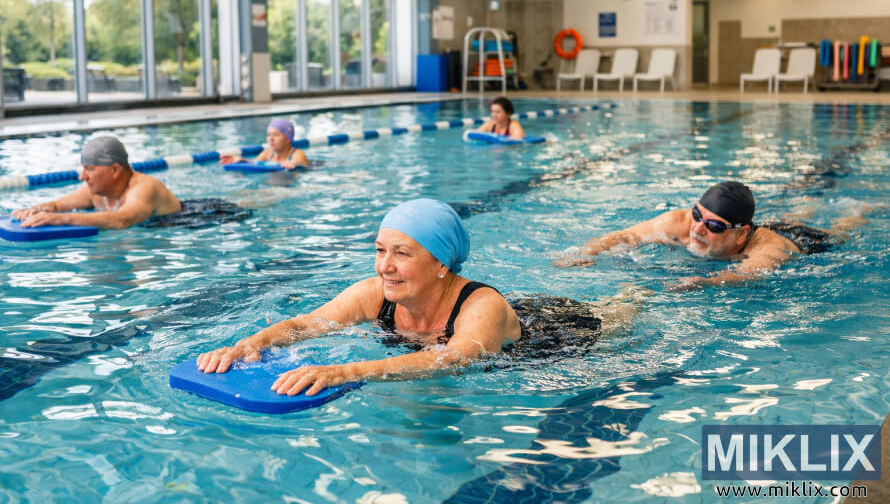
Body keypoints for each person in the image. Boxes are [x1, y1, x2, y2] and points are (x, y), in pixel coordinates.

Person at [197, 198, 522, 396]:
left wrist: (343, 372)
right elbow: (305, 325)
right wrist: (253, 343)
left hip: (554, 341)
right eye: (380, 250)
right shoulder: (376, 294)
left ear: (440, 263)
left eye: (402, 254)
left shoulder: (482, 306)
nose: (385, 266)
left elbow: (456, 359)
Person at [556, 181, 869, 289]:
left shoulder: (770, 249)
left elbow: (749, 274)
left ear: (740, 234)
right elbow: (623, 236)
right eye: (697, 216)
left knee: (840, 230)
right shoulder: (680, 223)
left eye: (714, 226)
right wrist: (585, 252)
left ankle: (864, 210)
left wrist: (705, 282)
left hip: (804, 241)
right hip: (755, 227)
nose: (697, 229)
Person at [11, 135, 181, 230]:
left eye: (89, 169)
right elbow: (56, 205)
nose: (83, 177)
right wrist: (34, 211)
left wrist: (61, 219)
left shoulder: (145, 188)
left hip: (189, 220)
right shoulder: (96, 191)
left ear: (114, 170)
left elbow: (122, 220)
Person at [220, 119, 309, 169]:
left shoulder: (297, 154)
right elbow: (255, 162)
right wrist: (241, 160)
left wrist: (292, 163)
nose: (271, 139)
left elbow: (297, 161)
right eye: (269, 135)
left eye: (276, 135)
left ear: (288, 139)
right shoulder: (268, 153)